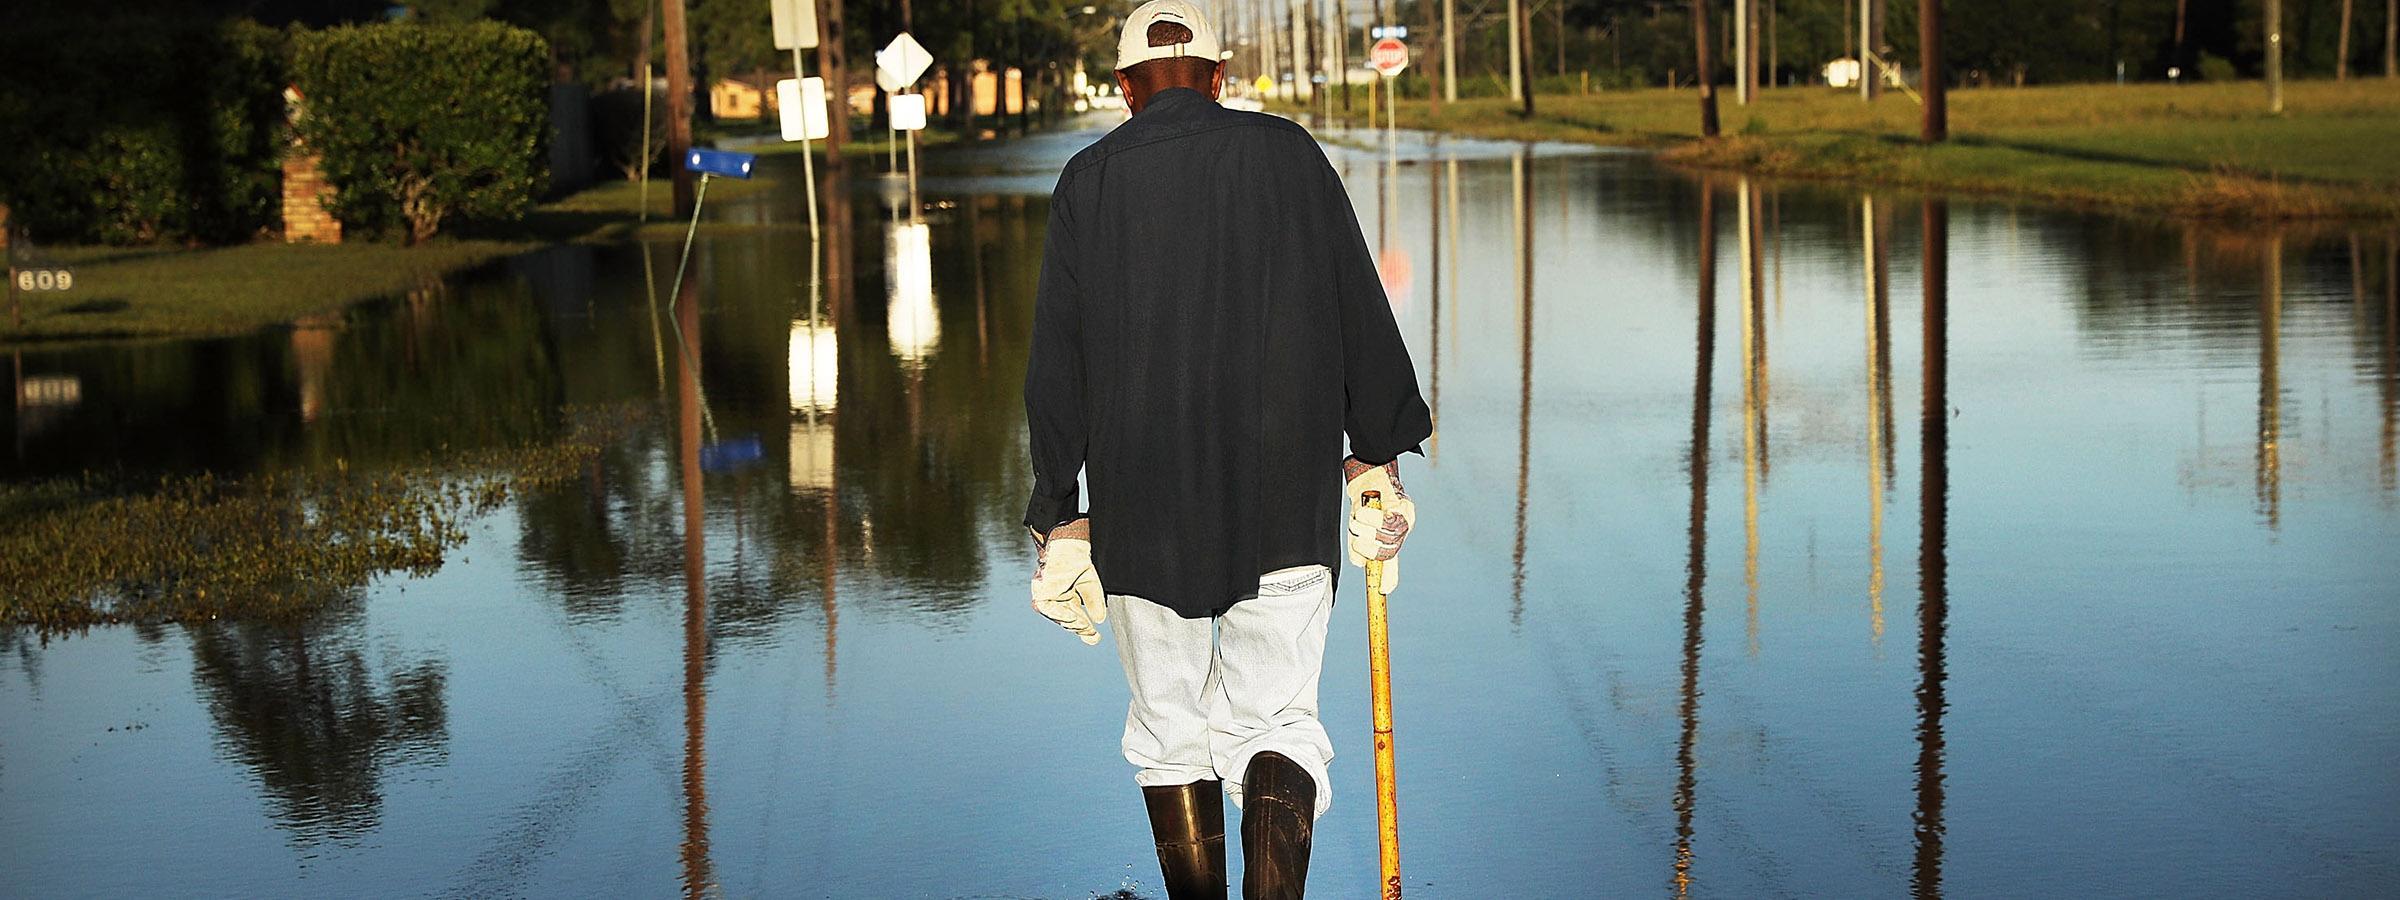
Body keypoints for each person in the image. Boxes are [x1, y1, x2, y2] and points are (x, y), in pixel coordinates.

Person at [1021, 2, 1432, 897]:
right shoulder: (1289, 155)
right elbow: (1358, 304)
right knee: (1277, 718)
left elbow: (1058, 360)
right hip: (1282, 496)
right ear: (1219, 77)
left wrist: (1056, 506)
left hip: (1143, 506)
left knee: (1169, 723)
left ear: (1126, 90)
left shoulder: (1087, 181)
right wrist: (1376, 450)